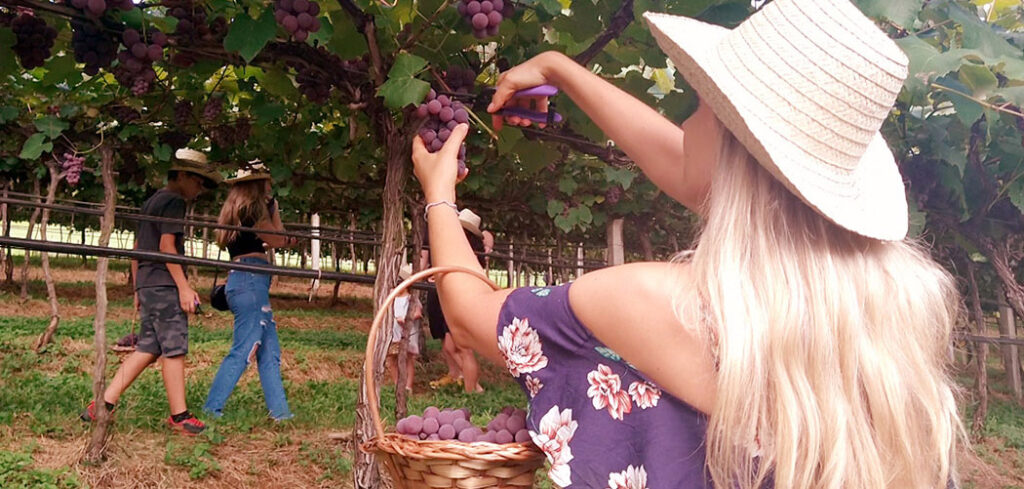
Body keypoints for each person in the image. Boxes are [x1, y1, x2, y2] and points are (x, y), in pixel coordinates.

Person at [411, 1, 962, 488]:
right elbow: (690, 165)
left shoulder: (653, 304)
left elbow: (466, 316)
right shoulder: (877, 327)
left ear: (730, 145)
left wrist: (438, 194)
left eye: (699, 105)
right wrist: (560, 70)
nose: (686, 121)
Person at [81, 149, 222, 435]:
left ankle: (103, 404)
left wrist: (137, 286)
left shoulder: (152, 200)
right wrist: (183, 287)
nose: (200, 189)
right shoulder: (173, 202)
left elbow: (138, 248)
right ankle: (179, 416)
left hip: (148, 282)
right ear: (182, 175)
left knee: (149, 346)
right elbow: (167, 248)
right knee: (174, 347)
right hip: (164, 283)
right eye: (198, 182)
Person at [203, 162, 300, 422]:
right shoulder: (254, 210)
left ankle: (281, 413)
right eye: (267, 179)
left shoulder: (235, 210)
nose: (271, 184)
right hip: (251, 281)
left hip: (245, 280)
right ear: (258, 183)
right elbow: (277, 239)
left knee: (269, 352)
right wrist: (283, 226)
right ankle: (211, 409)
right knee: (244, 348)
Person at [421, 208, 486, 393]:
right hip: (452, 300)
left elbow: (464, 275)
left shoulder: (469, 253)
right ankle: (469, 385)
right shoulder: (457, 248)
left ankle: (473, 387)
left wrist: (442, 274)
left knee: (462, 347)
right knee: (451, 345)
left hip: (461, 302)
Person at [388, 264, 423, 393]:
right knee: (392, 358)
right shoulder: (392, 296)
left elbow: (418, 313)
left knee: (408, 358)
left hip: (407, 333)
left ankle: (408, 386)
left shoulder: (410, 298)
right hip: (394, 332)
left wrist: (407, 319)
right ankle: (397, 384)